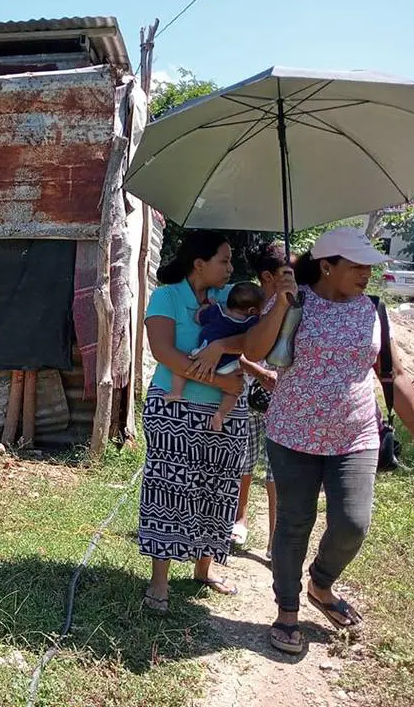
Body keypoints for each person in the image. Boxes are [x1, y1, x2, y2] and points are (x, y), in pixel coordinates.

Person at [244, 226, 414, 654]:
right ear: (327, 266)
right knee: (294, 523)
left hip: (355, 435)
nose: (366, 274)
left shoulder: (373, 310)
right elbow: (252, 349)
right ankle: (287, 610)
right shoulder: (293, 301)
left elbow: (394, 375)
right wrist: (280, 303)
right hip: (293, 433)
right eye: (357, 266)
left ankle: (320, 584)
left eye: (369, 267)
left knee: (353, 523)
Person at [140, 231, 250, 612]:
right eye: (224, 260)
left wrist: (283, 284)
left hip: (224, 415)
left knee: (218, 489)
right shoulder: (166, 297)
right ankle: (159, 580)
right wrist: (221, 381)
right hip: (174, 409)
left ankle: (204, 569)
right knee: (168, 489)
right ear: (199, 264)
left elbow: (257, 334)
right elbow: (163, 352)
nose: (230, 267)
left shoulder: (229, 297)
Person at [230, 243, 289, 555]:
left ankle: (274, 539)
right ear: (268, 276)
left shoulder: (294, 305)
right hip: (247, 392)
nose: (294, 277)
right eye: (287, 271)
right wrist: (260, 371)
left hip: (282, 397)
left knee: (276, 467)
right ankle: (239, 519)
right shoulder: (248, 301)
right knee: (244, 458)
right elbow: (231, 346)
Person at [166, 281, 264, 431]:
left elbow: (198, 318)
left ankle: (176, 392)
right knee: (233, 392)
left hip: (202, 355)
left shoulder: (216, 311)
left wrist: (206, 306)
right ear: (252, 310)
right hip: (229, 366)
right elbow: (255, 338)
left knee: (180, 368)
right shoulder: (251, 322)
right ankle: (221, 414)